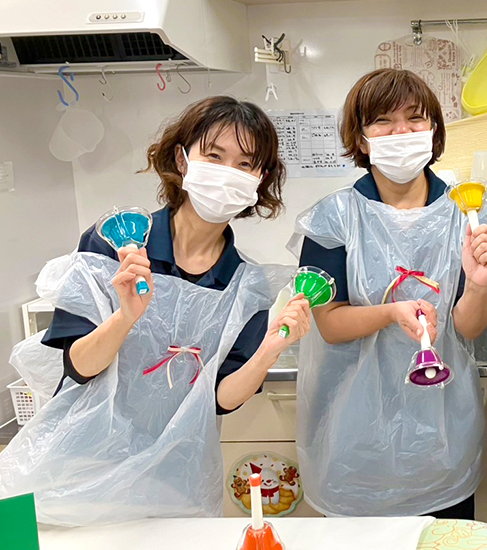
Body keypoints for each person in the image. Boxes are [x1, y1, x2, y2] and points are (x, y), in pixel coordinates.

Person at [0, 96, 311, 526]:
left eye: (245, 164)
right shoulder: (117, 246)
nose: (228, 172)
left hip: (173, 482)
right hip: (75, 468)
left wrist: (270, 350)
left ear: (260, 178)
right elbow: (79, 367)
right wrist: (125, 316)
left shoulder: (245, 285)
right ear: (182, 160)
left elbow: (219, 400)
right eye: (214, 156)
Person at [292, 69, 487, 518]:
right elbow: (329, 324)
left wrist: (479, 284)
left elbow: (468, 328)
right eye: (383, 121)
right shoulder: (334, 219)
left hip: (442, 430)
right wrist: (391, 313)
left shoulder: (466, 213)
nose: (401, 131)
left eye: (415, 118)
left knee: (442, 544)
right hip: (356, 434)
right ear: (361, 137)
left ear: (434, 130)